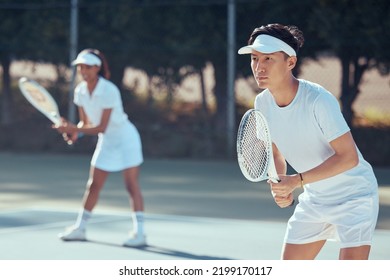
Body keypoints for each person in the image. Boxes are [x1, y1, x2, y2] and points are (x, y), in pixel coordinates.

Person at [238, 23, 379, 260]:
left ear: (290, 62)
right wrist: (280, 182)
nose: (259, 67)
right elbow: (275, 152)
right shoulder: (262, 103)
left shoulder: (318, 100)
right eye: (254, 58)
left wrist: (296, 180)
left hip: (355, 197)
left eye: (268, 59)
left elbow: (349, 158)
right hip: (315, 200)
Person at [54, 48, 146, 247]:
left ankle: (140, 233)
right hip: (107, 142)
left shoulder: (109, 90)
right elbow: (86, 124)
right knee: (93, 185)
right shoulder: (80, 91)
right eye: (80, 68)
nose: (83, 71)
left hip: (126, 139)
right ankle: (80, 228)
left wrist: (73, 128)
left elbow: (101, 127)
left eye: (87, 67)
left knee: (131, 185)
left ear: (97, 68)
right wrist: (73, 132)